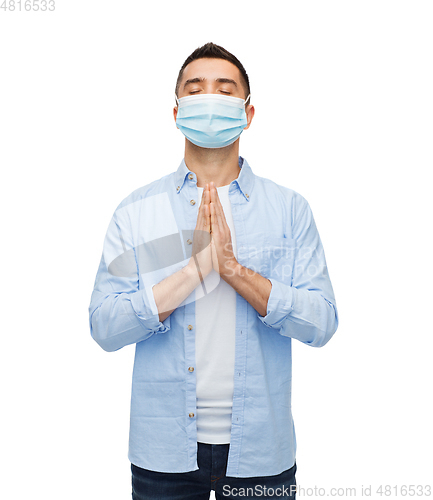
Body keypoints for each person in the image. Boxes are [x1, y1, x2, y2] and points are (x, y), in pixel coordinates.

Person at [88, 42, 339, 500]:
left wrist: (232, 270)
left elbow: (322, 322)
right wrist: (191, 275)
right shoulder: (136, 212)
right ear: (177, 110)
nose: (209, 99)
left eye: (225, 91)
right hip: (162, 452)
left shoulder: (288, 210)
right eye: (195, 89)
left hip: (262, 452)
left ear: (248, 113)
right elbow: (105, 326)